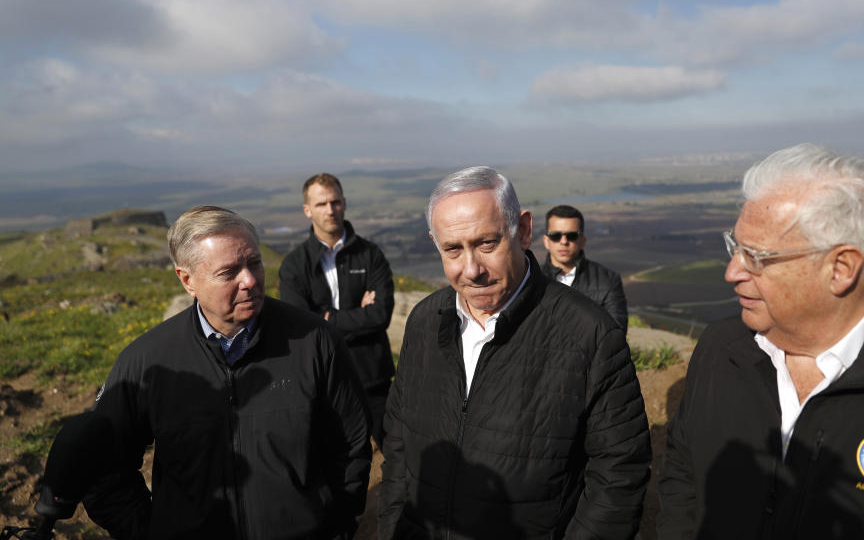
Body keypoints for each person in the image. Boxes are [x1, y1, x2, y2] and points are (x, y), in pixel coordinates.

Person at [658, 144, 864, 539]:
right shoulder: (722, 347)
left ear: (841, 269)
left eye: (757, 257)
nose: (732, 272)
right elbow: (684, 469)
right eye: (735, 248)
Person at [379, 166, 650, 539]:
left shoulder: (590, 333)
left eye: (486, 243)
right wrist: (394, 527)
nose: (471, 269)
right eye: (453, 250)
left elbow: (619, 473)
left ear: (522, 230)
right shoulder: (425, 321)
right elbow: (398, 443)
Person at [84, 206, 371, 540]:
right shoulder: (148, 361)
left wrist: (335, 525)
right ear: (187, 280)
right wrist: (151, 531)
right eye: (229, 271)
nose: (249, 280)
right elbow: (100, 467)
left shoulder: (315, 342)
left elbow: (352, 446)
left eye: (255, 263)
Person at [279, 173, 395, 448]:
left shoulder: (371, 255)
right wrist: (358, 316)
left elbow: (380, 315)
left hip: (372, 375)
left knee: (395, 453)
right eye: (321, 204)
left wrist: (328, 317)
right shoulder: (295, 265)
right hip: (323, 377)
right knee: (334, 460)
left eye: (335, 202)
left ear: (344, 203)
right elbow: (300, 325)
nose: (330, 210)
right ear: (307, 210)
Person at [540, 204, 629, 329]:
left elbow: (615, 333)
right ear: (546, 241)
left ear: (582, 240)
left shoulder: (608, 280)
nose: (564, 241)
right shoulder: (530, 279)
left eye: (572, 235)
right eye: (555, 235)